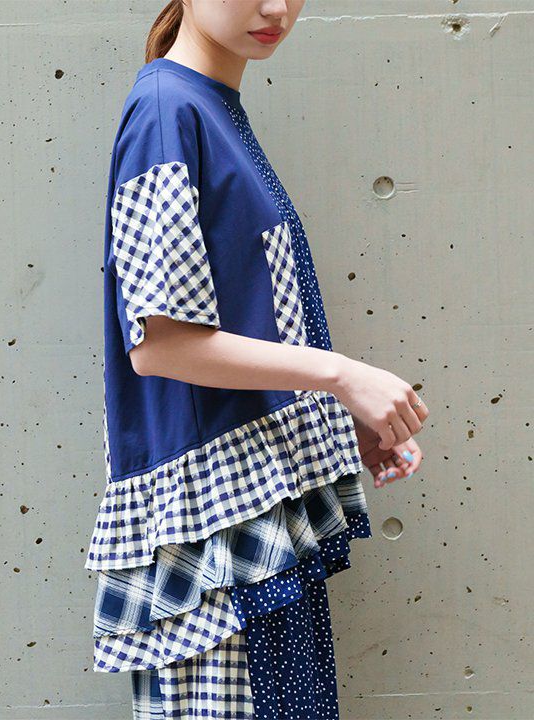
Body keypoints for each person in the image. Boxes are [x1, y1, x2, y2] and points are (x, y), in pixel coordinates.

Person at [85, 1, 430, 718]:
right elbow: (160, 342)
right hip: (215, 547)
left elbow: (249, 316)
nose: (276, 7)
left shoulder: (210, 107)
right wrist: (343, 375)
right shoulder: (166, 112)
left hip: (257, 523)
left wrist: (338, 419)